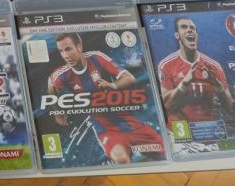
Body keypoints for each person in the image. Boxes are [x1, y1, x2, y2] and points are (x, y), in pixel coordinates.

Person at [48, 33, 163, 164]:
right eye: (61, 51)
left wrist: (113, 85)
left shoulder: (96, 58)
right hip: (106, 130)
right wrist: (58, 112)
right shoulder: (62, 75)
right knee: (121, 159)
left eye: (68, 49)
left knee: (164, 153)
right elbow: (50, 84)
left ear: (79, 46)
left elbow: (129, 78)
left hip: (130, 122)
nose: (65, 55)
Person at [157, 17, 233, 146]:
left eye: (192, 28)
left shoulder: (214, 66)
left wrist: (219, 87)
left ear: (196, 35)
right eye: (184, 27)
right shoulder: (166, 64)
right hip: (180, 135)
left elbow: (230, 107)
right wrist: (184, 82)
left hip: (207, 135)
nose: (189, 30)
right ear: (177, 35)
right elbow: (165, 105)